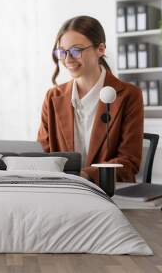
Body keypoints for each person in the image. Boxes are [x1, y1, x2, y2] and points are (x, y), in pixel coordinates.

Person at [37, 15, 144, 185]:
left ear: (100, 49)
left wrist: (86, 176)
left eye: (76, 51)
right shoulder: (53, 97)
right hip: (63, 190)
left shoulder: (129, 95)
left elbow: (129, 162)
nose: (67, 59)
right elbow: (42, 153)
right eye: (63, 52)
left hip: (108, 193)